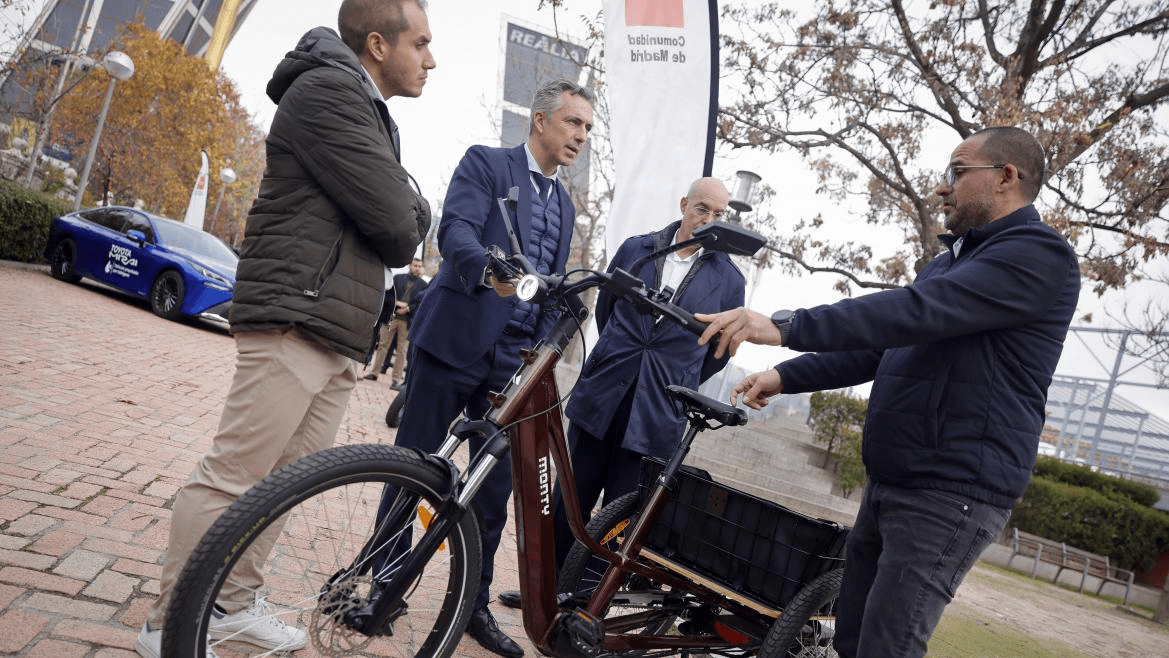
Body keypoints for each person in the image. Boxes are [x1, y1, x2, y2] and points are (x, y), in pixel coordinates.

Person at [695, 126, 1080, 658]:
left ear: (1006, 178)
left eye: (957, 172)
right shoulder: (950, 263)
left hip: (951, 492)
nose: (942, 188)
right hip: (895, 480)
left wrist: (784, 325)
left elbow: (909, 311)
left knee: (887, 647)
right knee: (852, 643)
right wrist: (788, 375)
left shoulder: (1038, 256)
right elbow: (883, 345)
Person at [135, 1, 435, 656]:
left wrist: (410, 201)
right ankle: (167, 627)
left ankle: (231, 606)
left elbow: (400, 210)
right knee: (233, 474)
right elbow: (395, 222)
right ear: (379, 44)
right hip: (297, 314)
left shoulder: (369, 112)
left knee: (281, 485)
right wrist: (412, 204)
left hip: (333, 327)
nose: (430, 59)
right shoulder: (329, 90)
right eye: (421, 43)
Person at [383, 79, 593, 658]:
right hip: (456, 340)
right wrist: (492, 271)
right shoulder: (487, 163)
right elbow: (455, 233)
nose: (581, 136)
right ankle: (383, 581)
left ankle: (470, 607)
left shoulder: (567, 204)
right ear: (541, 120)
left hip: (513, 364)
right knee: (414, 466)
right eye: (574, 123)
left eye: (588, 129)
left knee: (493, 492)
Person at [495, 177, 746, 613]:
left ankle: (585, 602)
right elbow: (608, 311)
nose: (709, 220)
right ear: (684, 203)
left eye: (719, 215)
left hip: (658, 407)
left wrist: (674, 374)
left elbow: (718, 356)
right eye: (703, 209)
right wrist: (622, 357)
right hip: (605, 392)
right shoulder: (638, 248)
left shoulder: (730, 281)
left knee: (619, 514)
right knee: (569, 497)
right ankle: (542, 590)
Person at [364, 257, 429, 387]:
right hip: (391, 317)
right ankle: (374, 373)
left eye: (419, 266)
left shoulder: (424, 285)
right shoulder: (398, 278)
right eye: (415, 265)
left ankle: (396, 379)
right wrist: (396, 304)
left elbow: (423, 303)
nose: (417, 268)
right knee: (382, 345)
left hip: (408, 321)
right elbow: (388, 295)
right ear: (410, 265)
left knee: (401, 351)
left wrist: (408, 308)